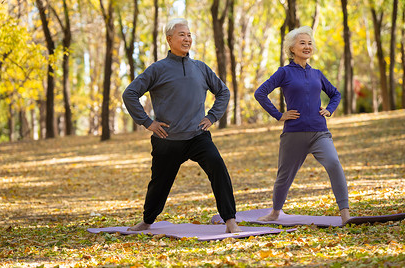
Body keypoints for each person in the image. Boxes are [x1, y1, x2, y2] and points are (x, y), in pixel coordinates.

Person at [122, 18, 241, 233]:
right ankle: (147, 220)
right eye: (181, 35)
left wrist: (212, 116)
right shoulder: (158, 69)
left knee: (217, 166)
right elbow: (130, 93)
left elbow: (223, 92)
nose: (187, 39)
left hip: (197, 136)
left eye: (188, 35)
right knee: (159, 184)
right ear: (169, 40)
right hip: (167, 139)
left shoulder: (200, 68)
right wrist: (148, 122)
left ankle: (230, 220)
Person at [254, 26, 351, 224]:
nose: (307, 46)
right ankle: (275, 213)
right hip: (294, 134)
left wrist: (329, 109)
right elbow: (260, 93)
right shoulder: (284, 72)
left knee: (334, 163)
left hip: (319, 132)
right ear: (292, 48)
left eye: (309, 43)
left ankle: (346, 215)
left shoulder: (317, 74)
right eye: (302, 43)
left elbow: (336, 94)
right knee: (284, 176)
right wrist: (279, 115)